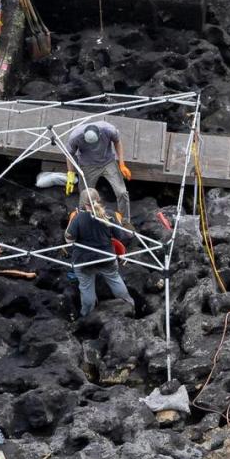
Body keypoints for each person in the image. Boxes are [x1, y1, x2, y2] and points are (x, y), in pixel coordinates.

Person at [65, 187, 135, 319]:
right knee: (115, 279)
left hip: (84, 260)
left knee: (86, 288)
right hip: (106, 257)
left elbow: (69, 240)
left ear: (84, 204)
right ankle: (129, 304)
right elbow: (119, 236)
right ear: (99, 200)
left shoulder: (78, 218)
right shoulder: (109, 215)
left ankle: (86, 315)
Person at [64, 118, 132, 223]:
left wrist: (122, 164)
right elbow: (69, 155)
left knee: (122, 192)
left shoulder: (109, 130)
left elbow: (117, 142)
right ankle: (83, 218)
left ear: (100, 134)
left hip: (108, 163)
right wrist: (71, 174)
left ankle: (125, 220)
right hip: (88, 166)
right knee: (85, 195)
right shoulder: (75, 136)